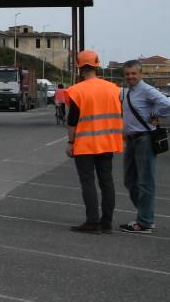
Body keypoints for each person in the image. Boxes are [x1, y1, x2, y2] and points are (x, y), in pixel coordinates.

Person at [63, 50, 124, 233]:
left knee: (88, 182)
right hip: (108, 142)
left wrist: (70, 143)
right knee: (107, 182)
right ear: (97, 65)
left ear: (79, 67)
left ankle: (92, 221)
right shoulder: (114, 89)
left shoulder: (76, 91)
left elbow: (73, 121)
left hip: (85, 145)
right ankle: (107, 223)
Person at [118, 61, 170, 233]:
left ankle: (145, 221)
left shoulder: (146, 89)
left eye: (134, 73)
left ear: (141, 74)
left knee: (145, 181)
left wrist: (155, 115)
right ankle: (144, 215)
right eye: (127, 74)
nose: (130, 77)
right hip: (131, 140)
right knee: (129, 180)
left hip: (144, 139)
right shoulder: (128, 92)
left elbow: (167, 104)